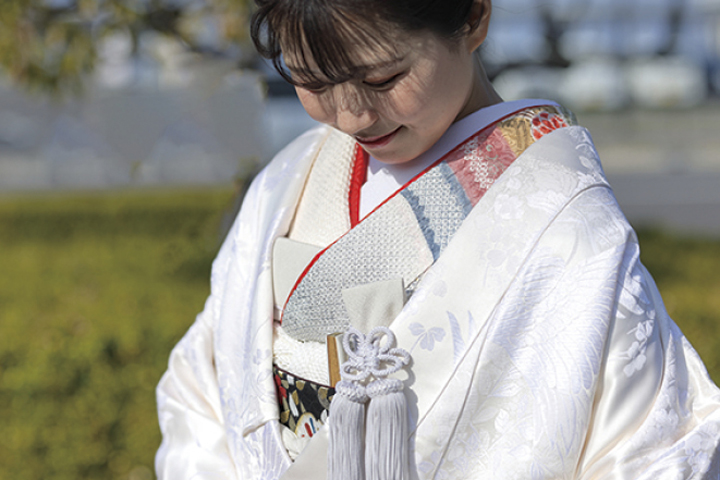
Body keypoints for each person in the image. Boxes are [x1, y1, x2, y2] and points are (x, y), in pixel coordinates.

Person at [154, 0, 720, 478]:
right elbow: (205, 383)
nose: (351, 116)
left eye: (382, 79)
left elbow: (644, 449)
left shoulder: (568, 227)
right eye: (312, 81)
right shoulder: (290, 178)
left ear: (473, 17)